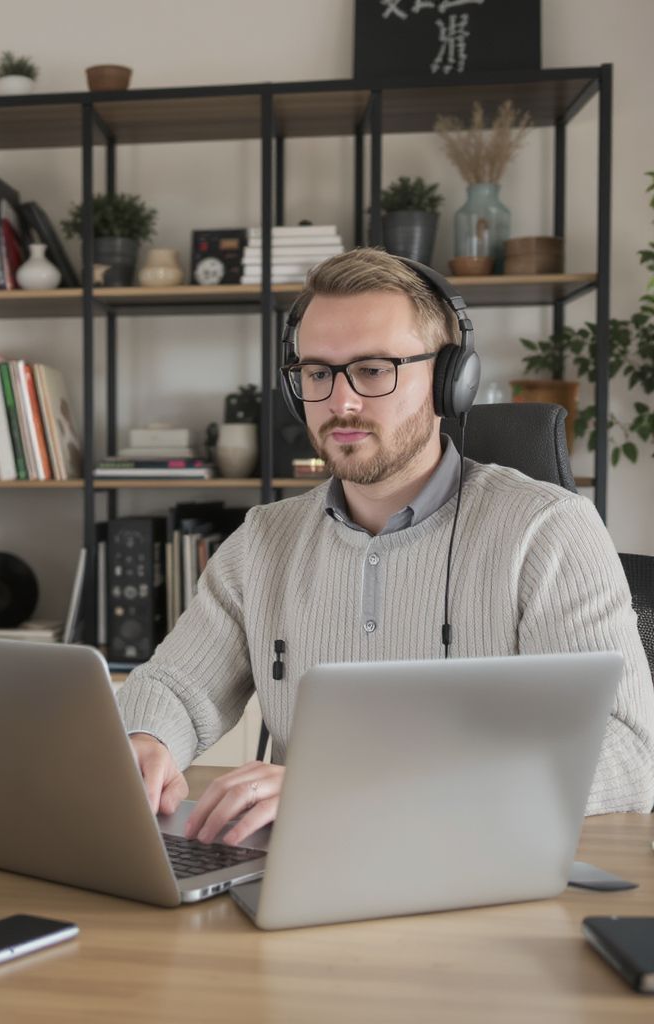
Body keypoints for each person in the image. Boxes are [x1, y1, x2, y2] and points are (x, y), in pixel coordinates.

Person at [116, 247, 654, 847]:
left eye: (374, 369)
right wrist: (148, 740)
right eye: (318, 373)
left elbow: (627, 754)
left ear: (451, 380)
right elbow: (175, 686)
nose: (340, 402)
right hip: (301, 873)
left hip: (478, 874)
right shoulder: (262, 541)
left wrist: (359, 786)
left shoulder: (549, 530)